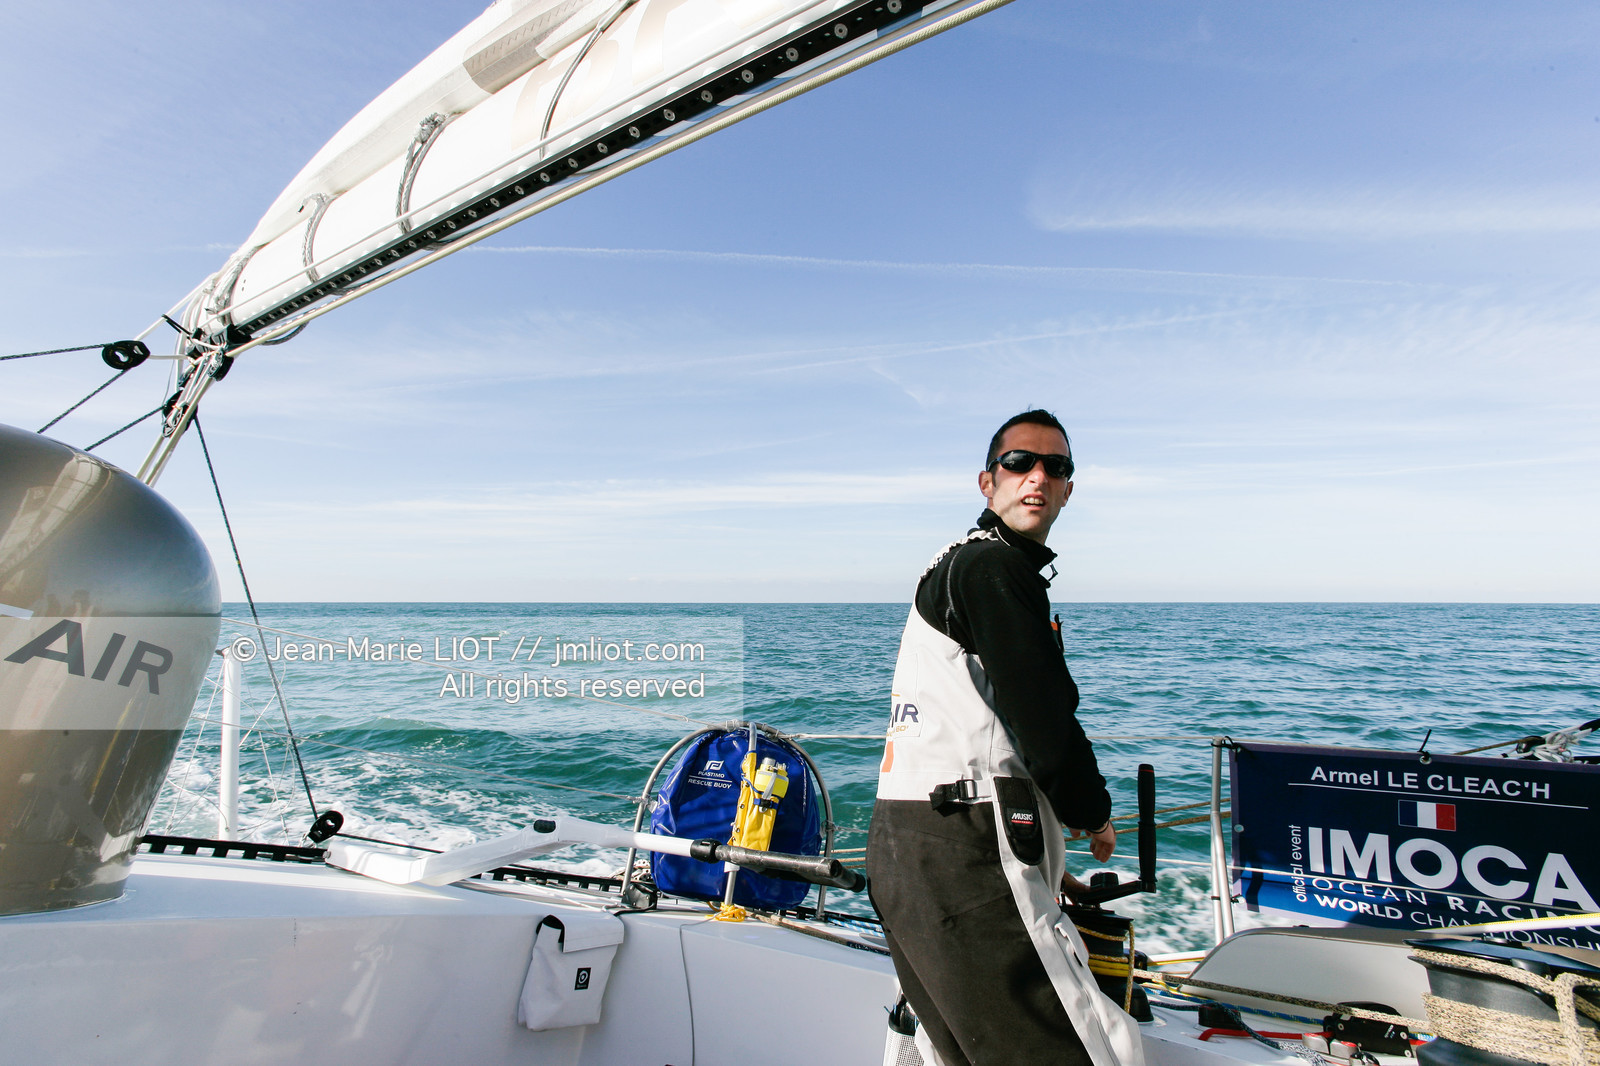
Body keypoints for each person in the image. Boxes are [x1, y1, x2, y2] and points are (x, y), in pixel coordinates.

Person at [866, 410, 1144, 1066]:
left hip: (904, 840)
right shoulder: (994, 570)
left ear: (1069, 490)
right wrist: (1093, 815)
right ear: (988, 482)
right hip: (966, 849)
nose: (1038, 476)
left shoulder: (952, 569)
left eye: (1056, 467)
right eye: (1020, 463)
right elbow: (1043, 725)